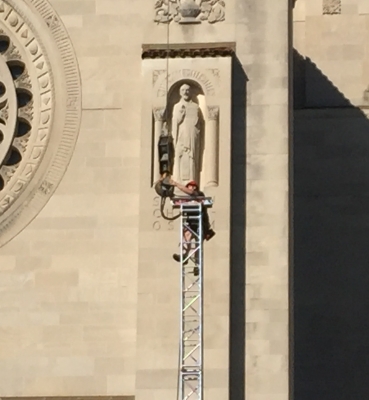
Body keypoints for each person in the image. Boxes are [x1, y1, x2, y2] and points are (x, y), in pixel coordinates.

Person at [171, 179, 215, 273]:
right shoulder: (190, 200)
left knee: (197, 245)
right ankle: (184, 256)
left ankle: (197, 265)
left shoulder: (199, 194)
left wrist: (176, 184)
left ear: (193, 187)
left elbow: (189, 192)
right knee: (186, 236)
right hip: (192, 224)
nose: (189, 189)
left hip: (201, 224)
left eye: (189, 187)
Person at [171, 84, 204, 185]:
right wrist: (180, 116)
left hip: (192, 134)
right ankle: (179, 180)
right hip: (181, 134)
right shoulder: (177, 106)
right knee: (180, 154)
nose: (185, 92)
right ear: (180, 93)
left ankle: (192, 181)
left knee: (192, 156)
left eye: (187, 90)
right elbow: (174, 122)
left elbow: (199, 124)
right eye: (183, 90)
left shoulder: (195, 107)